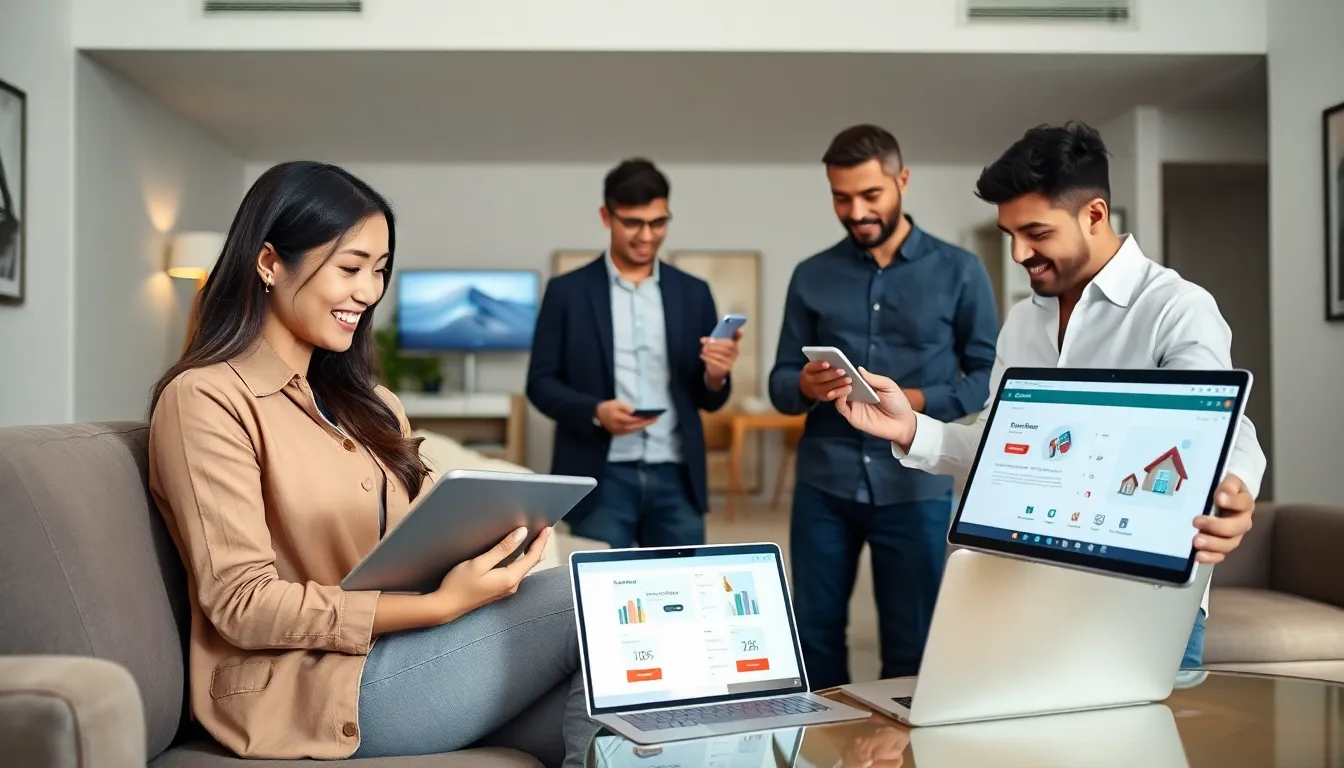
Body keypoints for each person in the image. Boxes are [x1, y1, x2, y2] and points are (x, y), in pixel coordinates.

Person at [147, 161, 598, 767]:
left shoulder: (375, 406)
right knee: (589, 593)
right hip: (312, 688)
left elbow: (427, 527)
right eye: (350, 268)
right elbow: (242, 603)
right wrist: (439, 606)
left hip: (416, 649)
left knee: (619, 697)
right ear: (269, 262)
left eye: (380, 271)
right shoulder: (206, 399)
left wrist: (498, 548)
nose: (369, 292)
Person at [828, 121, 1265, 678]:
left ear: (1095, 215)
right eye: (1009, 233)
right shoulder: (1024, 322)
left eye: (1035, 232)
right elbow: (999, 443)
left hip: (1141, 604)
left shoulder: (1176, 309)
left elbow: (1221, 433)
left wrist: (1236, 496)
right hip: (1024, 594)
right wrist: (910, 427)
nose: (1017, 253)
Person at [768, 124, 1000, 689]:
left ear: (902, 181)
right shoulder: (811, 274)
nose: (856, 211)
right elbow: (779, 386)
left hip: (915, 486)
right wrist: (806, 385)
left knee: (912, 638)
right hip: (825, 484)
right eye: (841, 197)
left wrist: (909, 406)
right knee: (814, 633)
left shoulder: (960, 271)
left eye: (870, 195)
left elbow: (985, 378)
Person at [527, 158, 742, 549]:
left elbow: (710, 398)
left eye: (658, 223)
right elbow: (540, 384)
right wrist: (596, 411)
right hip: (599, 476)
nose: (647, 236)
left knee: (687, 594)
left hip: (678, 475)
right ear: (606, 216)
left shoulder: (693, 293)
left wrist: (716, 374)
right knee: (601, 600)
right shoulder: (566, 292)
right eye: (633, 223)